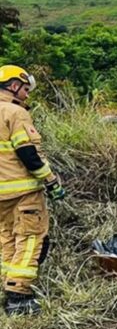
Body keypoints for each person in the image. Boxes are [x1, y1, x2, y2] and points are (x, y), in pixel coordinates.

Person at [0, 65, 66, 315]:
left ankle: (8, 284)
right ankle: (19, 296)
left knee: (7, 239)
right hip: (23, 192)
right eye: (26, 89)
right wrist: (51, 181)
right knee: (30, 239)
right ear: (14, 86)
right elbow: (28, 153)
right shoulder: (15, 112)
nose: (27, 95)